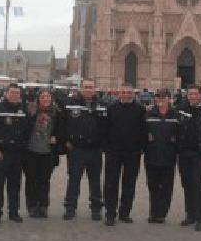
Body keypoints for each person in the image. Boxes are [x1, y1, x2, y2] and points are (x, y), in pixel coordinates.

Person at [57, 78, 106, 221]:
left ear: (95, 89)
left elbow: (107, 127)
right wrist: (65, 141)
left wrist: (103, 144)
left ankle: (96, 209)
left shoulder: (102, 105)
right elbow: (62, 124)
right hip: (76, 149)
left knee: (95, 181)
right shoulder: (70, 104)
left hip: (95, 150)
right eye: (85, 87)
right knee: (73, 180)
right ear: (80, 88)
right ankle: (70, 208)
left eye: (91, 87)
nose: (88, 90)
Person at [0, 84, 30, 225]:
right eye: (12, 92)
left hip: (17, 154)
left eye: (17, 93)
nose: (14, 95)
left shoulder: (23, 109)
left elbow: (27, 130)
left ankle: (14, 212)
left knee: (15, 185)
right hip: (1, 153)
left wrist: (24, 148)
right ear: (6, 93)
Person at [102, 84, 148, 226]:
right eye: (124, 92)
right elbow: (105, 129)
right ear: (118, 93)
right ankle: (110, 213)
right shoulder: (111, 108)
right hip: (114, 152)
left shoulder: (140, 109)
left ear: (133, 94)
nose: (127, 95)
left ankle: (124, 213)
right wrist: (107, 147)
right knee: (111, 183)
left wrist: (141, 148)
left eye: (129, 92)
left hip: (132, 152)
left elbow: (143, 130)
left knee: (129, 183)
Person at [177, 83, 201, 231]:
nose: (192, 96)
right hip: (183, 153)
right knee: (186, 184)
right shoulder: (181, 109)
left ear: (200, 95)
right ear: (187, 95)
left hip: (199, 154)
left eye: (195, 94)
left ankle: (200, 218)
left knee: (197, 183)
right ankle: (190, 214)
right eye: (190, 94)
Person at [143, 89, 181, 224]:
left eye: (163, 97)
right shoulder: (148, 114)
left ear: (169, 99)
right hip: (151, 155)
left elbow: (180, 134)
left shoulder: (175, 115)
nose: (161, 99)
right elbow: (142, 133)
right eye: (158, 97)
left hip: (169, 157)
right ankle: (153, 212)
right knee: (153, 186)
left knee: (166, 186)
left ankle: (162, 213)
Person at [24, 89, 60, 218]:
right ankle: (32, 206)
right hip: (31, 151)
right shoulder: (30, 111)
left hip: (47, 152)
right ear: (38, 98)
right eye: (43, 96)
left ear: (51, 99)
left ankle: (44, 206)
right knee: (32, 180)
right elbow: (24, 128)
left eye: (48, 96)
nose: (46, 99)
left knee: (45, 180)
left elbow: (60, 129)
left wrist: (56, 137)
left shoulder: (56, 112)